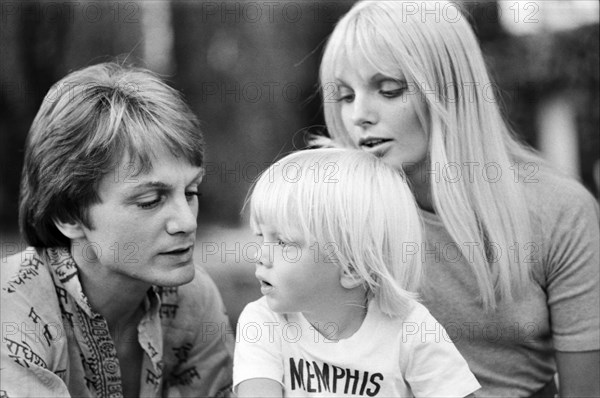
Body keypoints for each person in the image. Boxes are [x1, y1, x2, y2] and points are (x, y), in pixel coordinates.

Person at [312, 1, 600, 397]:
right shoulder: (336, 212)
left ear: (449, 92)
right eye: (344, 96)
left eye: (388, 89)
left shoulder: (562, 213)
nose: (359, 114)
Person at [0, 63, 233, 397]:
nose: (187, 222)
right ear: (69, 216)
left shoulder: (191, 298)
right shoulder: (11, 310)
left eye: (191, 191)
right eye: (151, 200)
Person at [233, 148, 481, 397]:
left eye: (283, 243)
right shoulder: (262, 322)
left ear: (351, 268)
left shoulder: (410, 328)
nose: (260, 256)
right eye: (261, 237)